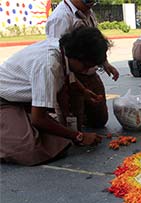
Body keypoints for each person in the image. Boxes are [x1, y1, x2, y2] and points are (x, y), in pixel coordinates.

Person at [0, 27, 109, 166]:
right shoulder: (48, 65)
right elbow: (38, 119)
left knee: (59, 142)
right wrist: (79, 136)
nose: (86, 70)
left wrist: (84, 91)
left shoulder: (63, 49)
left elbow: (68, 74)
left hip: (22, 101)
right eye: (86, 65)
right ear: (75, 56)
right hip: (5, 100)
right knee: (31, 149)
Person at [45, 0, 120, 130]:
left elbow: (95, 42)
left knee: (100, 120)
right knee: (73, 122)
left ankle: (83, 117)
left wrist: (104, 62)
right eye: (87, 0)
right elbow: (59, 55)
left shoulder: (88, 12)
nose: (91, 4)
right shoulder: (60, 17)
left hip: (88, 69)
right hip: (72, 72)